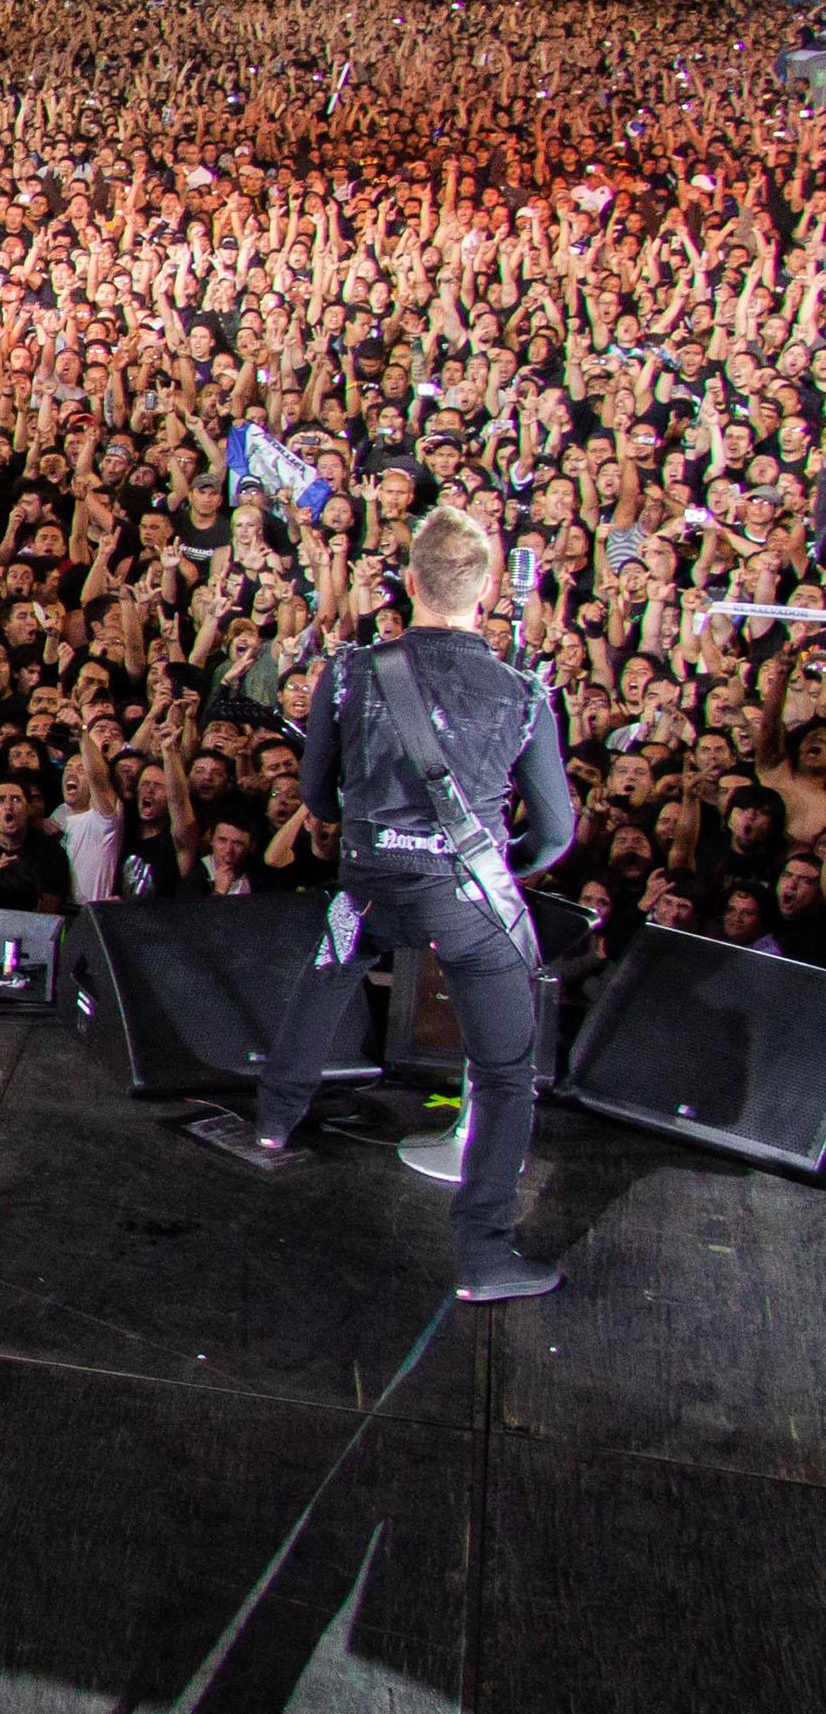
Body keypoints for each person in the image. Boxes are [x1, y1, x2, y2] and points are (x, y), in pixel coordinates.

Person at [239, 508, 573, 1305]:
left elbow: (316, 795)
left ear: (412, 582)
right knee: (503, 1071)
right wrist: (495, 868)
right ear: (487, 591)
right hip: (465, 901)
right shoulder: (522, 694)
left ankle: (271, 1122)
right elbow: (555, 835)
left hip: (368, 881)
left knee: (330, 969)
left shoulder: (350, 672)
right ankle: (485, 1254)